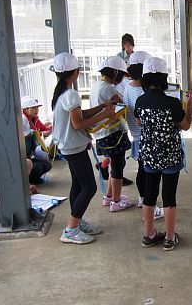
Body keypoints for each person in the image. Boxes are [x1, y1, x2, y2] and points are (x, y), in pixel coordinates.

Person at [51, 52, 117, 245]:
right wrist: (105, 115)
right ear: (76, 72)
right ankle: (70, 230)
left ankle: (76, 222)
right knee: (89, 187)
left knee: (79, 185)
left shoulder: (62, 93)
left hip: (70, 146)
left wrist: (101, 108)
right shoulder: (71, 94)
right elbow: (78, 123)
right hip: (73, 147)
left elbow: (79, 115)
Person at [135, 57, 192, 251]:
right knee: (169, 197)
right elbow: (185, 125)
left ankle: (148, 235)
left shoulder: (140, 100)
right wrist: (189, 104)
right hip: (170, 155)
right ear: (163, 78)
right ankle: (169, 238)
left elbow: (138, 122)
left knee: (149, 195)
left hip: (149, 155)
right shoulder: (172, 103)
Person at [123, 50, 164, 220]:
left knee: (142, 169)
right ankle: (150, 206)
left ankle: (142, 199)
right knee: (150, 174)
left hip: (136, 135)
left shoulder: (128, 86)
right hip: (147, 136)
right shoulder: (142, 92)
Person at [89, 56, 134, 212]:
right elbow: (123, 105)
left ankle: (109, 197)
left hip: (102, 133)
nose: (122, 79)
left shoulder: (97, 85)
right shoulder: (108, 88)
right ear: (115, 73)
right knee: (117, 167)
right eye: (121, 75)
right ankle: (116, 201)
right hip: (112, 133)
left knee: (115, 164)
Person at [22, 115, 52, 186]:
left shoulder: (31, 134)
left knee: (47, 165)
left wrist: (43, 152)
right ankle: (27, 183)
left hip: (28, 160)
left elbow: (36, 148)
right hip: (22, 163)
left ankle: (33, 180)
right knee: (36, 166)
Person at [21, 95, 52, 160]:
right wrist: (43, 133)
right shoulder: (23, 119)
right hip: (25, 155)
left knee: (46, 165)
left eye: (37, 107)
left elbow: (43, 129)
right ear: (25, 109)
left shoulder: (35, 119)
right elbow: (28, 135)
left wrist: (49, 129)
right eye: (34, 108)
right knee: (43, 165)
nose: (37, 110)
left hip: (32, 152)